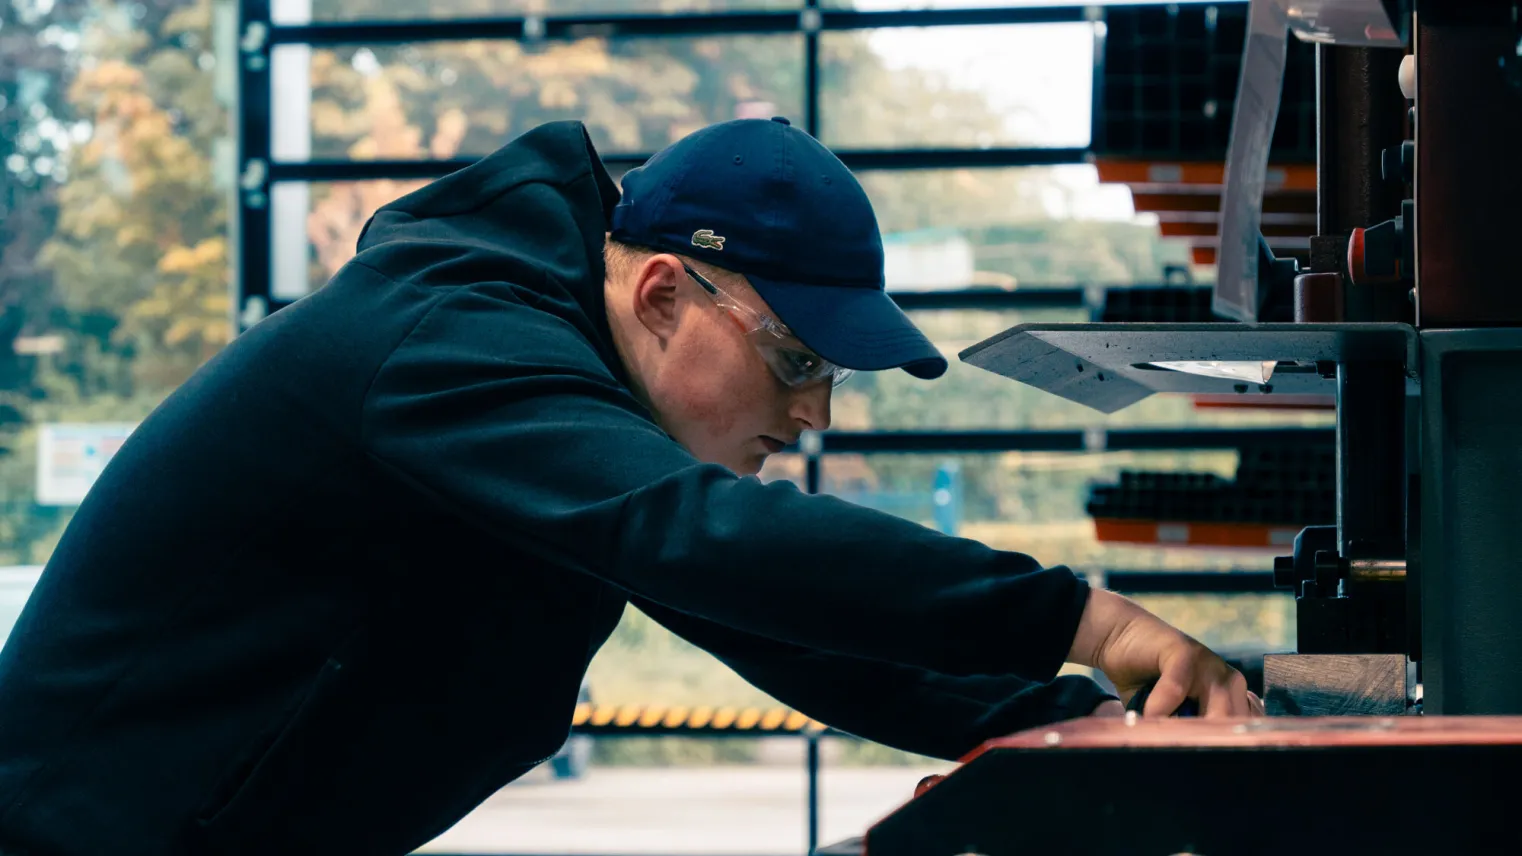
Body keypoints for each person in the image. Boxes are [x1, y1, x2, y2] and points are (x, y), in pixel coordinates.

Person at [0, 117, 1259, 856]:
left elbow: (784, 622)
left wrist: (1067, 722)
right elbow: (706, 542)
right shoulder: (445, 346)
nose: (812, 413)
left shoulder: (566, 394)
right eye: (794, 361)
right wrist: (1083, 617)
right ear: (664, 295)